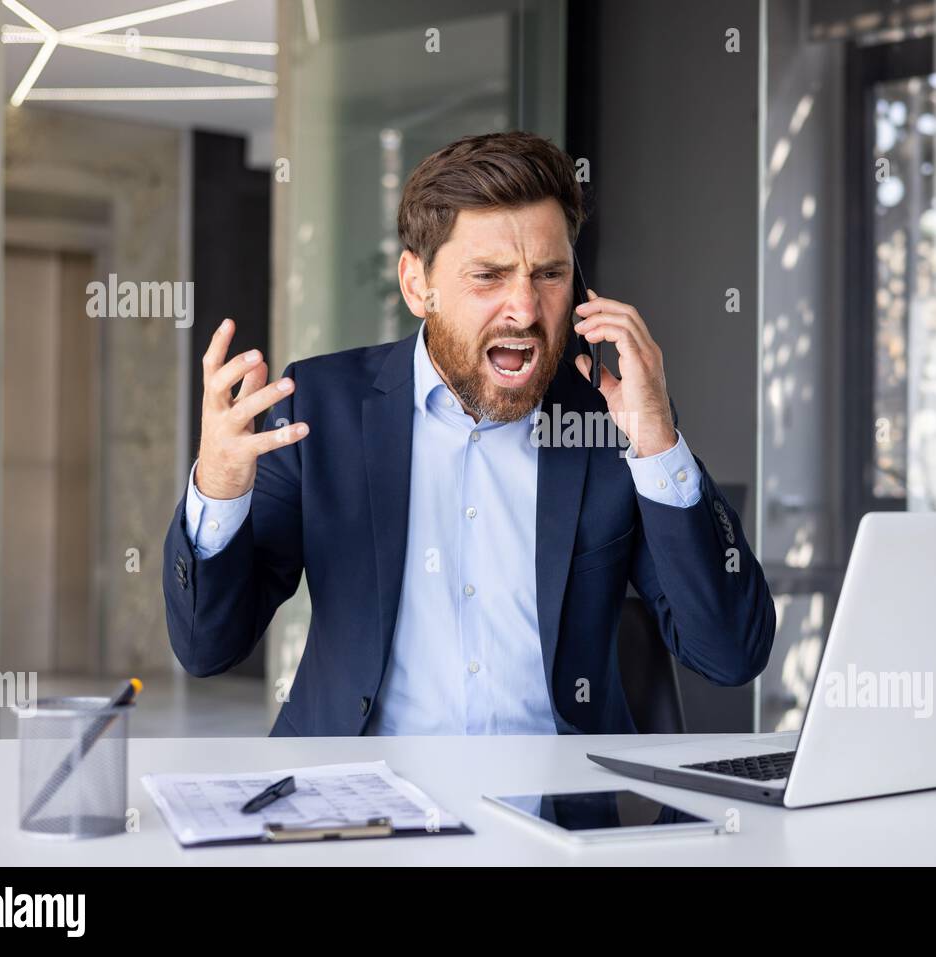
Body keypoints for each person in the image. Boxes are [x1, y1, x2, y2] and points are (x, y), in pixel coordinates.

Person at [163, 131, 775, 736]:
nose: (526, 309)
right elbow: (207, 648)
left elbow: (730, 655)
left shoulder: (609, 422)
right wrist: (217, 486)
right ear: (415, 286)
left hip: (556, 819)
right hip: (357, 809)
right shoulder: (320, 408)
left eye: (549, 275)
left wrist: (658, 441)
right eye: (489, 276)